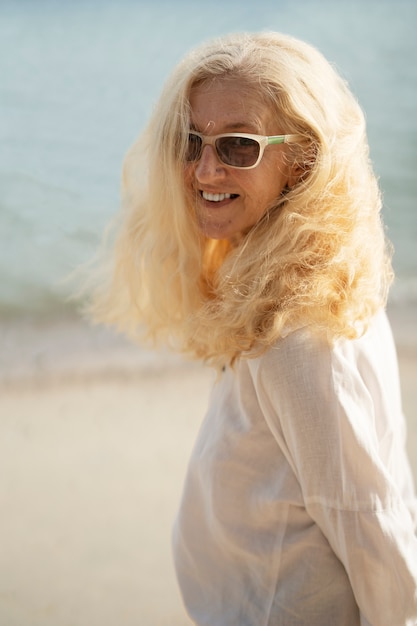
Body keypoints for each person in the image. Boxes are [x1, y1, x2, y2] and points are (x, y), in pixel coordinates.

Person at [88, 32, 417, 625]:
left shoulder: (300, 340)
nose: (204, 168)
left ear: (301, 162)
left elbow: (372, 522)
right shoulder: (289, 283)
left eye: (238, 146)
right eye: (191, 141)